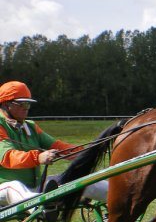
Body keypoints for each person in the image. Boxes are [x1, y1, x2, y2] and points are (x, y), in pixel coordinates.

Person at [0, 80, 107, 209]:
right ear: (6, 104)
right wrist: (38, 157)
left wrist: (86, 151)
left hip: (34, 188)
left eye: (28, 104)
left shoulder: (30, 126)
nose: (26, 108)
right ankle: (41, 207)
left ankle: (124, 197)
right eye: (22, 104)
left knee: (83, 181)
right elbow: (8, 157)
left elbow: (57, 145)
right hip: (5, 187)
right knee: (15, 186)